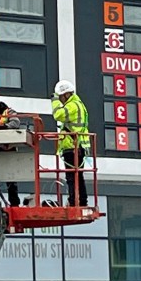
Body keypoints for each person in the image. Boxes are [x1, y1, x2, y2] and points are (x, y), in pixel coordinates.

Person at [51, 79, 90, 207]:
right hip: (77, 146)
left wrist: (54, 101)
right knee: (78, 176)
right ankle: (82, 201)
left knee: (72, 177)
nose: (61, 99)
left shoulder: (73, 106)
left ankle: (74, 201)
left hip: (72, 147)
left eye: (61, 97)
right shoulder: (79, 105)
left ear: (66, 94)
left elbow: (58, 115)